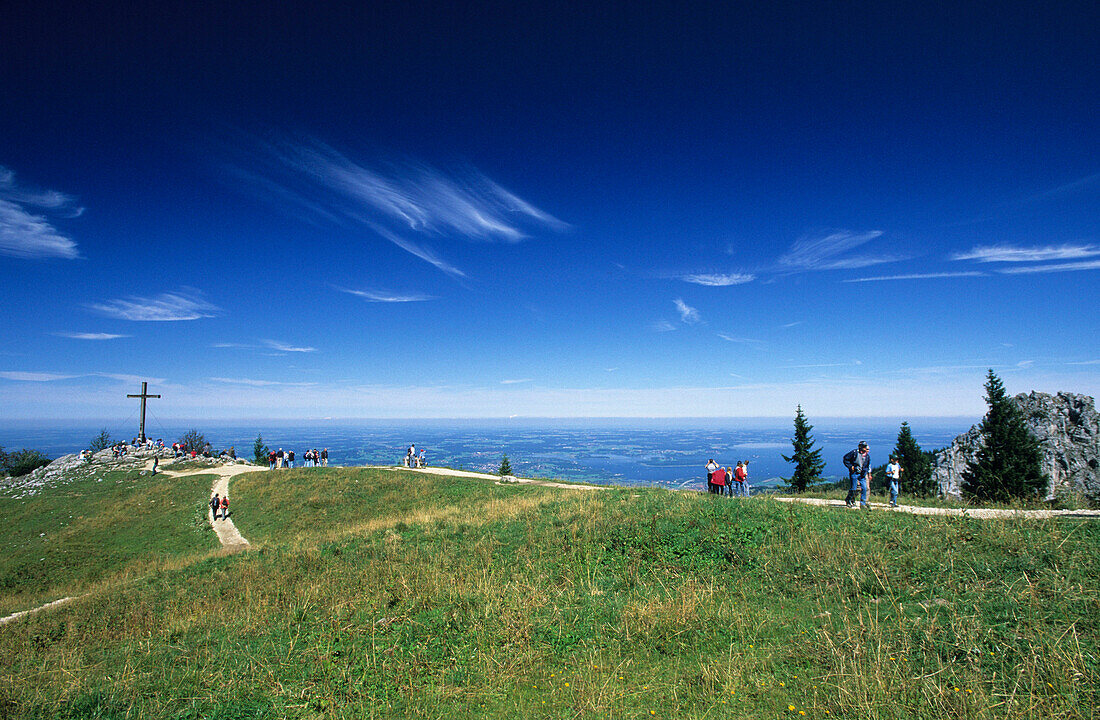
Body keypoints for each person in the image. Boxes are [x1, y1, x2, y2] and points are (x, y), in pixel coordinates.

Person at [843, 441, 872, 509]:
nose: (865, 448)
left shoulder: (867, 456)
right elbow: (845, 459)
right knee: (853, 488)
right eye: (864, 447)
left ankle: (863, 504)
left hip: (862, 475)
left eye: (865, 447)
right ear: (860, 447)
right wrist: (850, 466)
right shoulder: (854, 453)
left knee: (864, 488)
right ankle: (849, 500)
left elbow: (867, 465)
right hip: (855, 473)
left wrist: (865, 472)